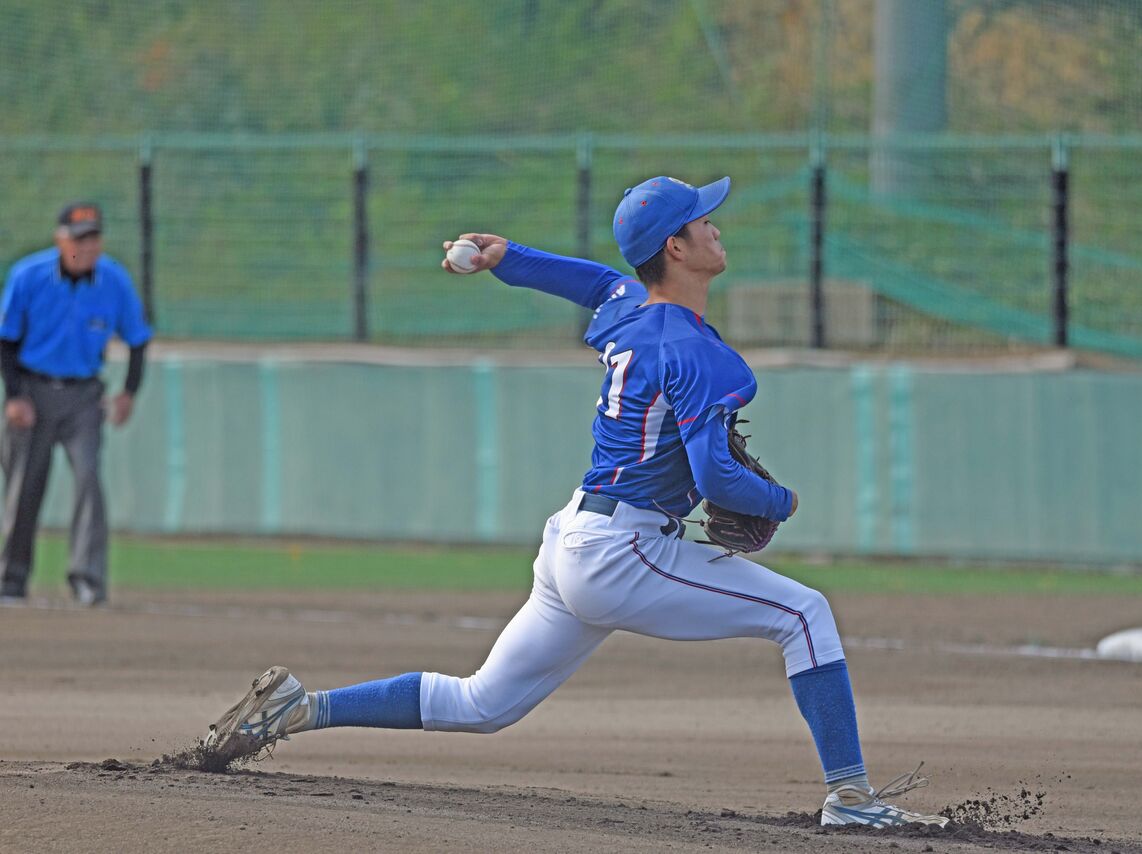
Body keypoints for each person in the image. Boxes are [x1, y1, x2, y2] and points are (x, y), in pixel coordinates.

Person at [204, 176, 947, 828]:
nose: (716, 226)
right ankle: (851, 796)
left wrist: (508, 258)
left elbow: (595, 283)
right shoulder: (696, 352)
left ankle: (301, 707)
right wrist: (779, 501)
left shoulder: (630, 310)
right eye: (702, 220)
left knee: (483, 703)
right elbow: (719, 479)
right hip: (623, 553)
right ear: (676, 249)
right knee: (804, 615)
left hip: (574, 541)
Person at [0, 203, 152, 606]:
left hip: (83, 394)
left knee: (88, 479)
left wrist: (129, 392)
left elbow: (138, 338)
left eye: (93, 239)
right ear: (60, 239)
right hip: (33, 389)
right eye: (79, 239)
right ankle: (12, 578)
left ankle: (87, 579)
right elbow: (6, 339)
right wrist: (14, 396)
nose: (87, 248)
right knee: (24, 486)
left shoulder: (113, 281)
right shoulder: (29, 276)